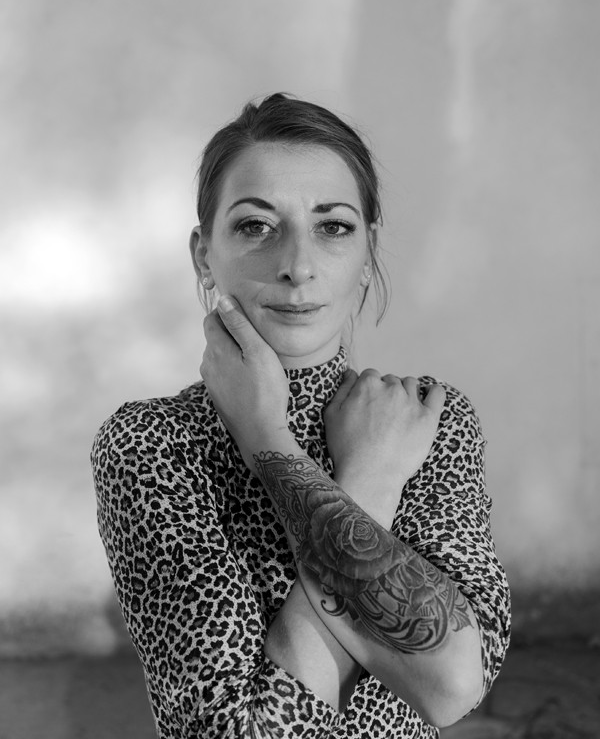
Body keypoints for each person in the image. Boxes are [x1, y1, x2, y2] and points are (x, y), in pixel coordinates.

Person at [91, 93, 510, 739]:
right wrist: (319, 461)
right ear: (204, 254)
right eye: (256, 226)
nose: (297, 266)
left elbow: (453, 682)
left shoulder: (425, 419)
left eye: (333, 227)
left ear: (369, 253)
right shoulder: (150, 444)